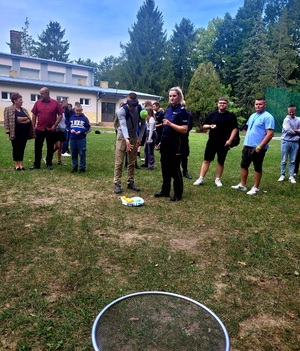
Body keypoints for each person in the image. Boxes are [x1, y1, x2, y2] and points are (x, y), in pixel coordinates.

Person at [231, 97, 275, 195]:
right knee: (244, 165)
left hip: (258, 147)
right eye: (256, 104)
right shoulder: (252, 116)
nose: (258, 106)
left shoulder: (268, 117)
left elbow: (270, 134)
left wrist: (260, 147)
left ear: (265, 105)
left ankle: (255, 188)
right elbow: (249, 129)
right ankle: (243, 185)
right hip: (247, 145)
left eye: (260, 104)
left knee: (257, 167)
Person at [193, 97, 238, 187]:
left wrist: (230, 140)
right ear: (217, 104)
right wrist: (210, 126)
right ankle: (201, 178)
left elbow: (235, 128)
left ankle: (218, 179)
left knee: (220, 161)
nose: (222, 104)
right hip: (212, 141)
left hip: (224, 142)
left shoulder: (231, 116)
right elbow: (204, 126)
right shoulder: (212, 115)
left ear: (227, 105)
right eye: (220, 103)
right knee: (207, 160)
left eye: (224, 103)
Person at [154, 87, 189, 201]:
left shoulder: (183, 111)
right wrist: (161, 142)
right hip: (165, 142)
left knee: (174, 168)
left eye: (174, 96)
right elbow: (165, 127)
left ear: (179, 96)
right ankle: (165, 191)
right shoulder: (168, 109)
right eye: (170, 96)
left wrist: (170, 124)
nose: (172, 98)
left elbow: (184, 129)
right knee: (165, 167)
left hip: (176, 144)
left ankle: (178, 194)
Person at [113, 92, 146, 194]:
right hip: (122, 137)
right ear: (127, 102)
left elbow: (144, 125)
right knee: (119, 162)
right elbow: (123, 126)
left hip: (134, 136)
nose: (132, 107)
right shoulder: (121, 111)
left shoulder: (140, 109)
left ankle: (130, 182)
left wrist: (139, 138)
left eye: (134, 105)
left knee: (132, 162)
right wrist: (127, 139)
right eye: (130, 105)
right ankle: (117, 184)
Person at [30, 87, 64, 170]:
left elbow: (60, 115)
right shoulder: (37, 103)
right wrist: (33, 126)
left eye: (42, 93)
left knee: (50, 147)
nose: (40, 95)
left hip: (51, 129)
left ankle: (49, 163)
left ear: (47, 93)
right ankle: (36, 164)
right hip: (40, 128)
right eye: (40, 93)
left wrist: (55, 125)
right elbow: (34, 115)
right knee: (37, 147)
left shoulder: (55, 103)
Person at [4, 93, 34, 170]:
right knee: (15, 148)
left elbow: (29, 119)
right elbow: (7, 120)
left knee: (22, 148)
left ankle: (21, 163)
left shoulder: (23, 109)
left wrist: (20, 120)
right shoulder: (8, 109)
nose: (22, 101)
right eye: (20, 100)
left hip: (24, 132)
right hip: (14, 132)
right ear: (15, 101)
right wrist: (7, 129)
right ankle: (16, 164)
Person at [277, 105, 300, 184]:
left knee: (293, 160)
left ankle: (291, 176)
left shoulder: (298, 119)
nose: (291, 113)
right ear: (288, 111)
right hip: (285, 141)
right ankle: (282, 175)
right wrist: (297, 131)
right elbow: (288, 130)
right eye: (289, 111)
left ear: (295, 111)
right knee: (284, 160)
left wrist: (295, 130)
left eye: (292, 111)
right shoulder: (286, 120)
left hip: (295, 142)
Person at [67, 104, 91, 173]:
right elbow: (67, 127)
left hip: (81, 139)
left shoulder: (85, 118)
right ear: (74, 110)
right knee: (73, 153)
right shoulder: (71, 118)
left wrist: (82, 131)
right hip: (72, 138)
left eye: (80, 111)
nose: (78, 112)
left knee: (82, 153)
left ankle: (82, 168)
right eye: (77, 110)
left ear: (82, 110)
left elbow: (88, 128)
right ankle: (74, 166)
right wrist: (71, 130)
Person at [180, 101, 194, 179]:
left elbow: (190, 125)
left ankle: (185, 171)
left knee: (184, 155)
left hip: (184, 137)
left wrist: (185, 131)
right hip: (175, 137)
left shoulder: (188, 114)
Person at [142, 106, 157, 170]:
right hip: (148, 133)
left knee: (150, 150)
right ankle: (146, 163)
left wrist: (149, 139)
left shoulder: (151, 119)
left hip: (152, 134)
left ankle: (150, 165)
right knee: (146, 149)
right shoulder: (147, 119)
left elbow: (151, 130)